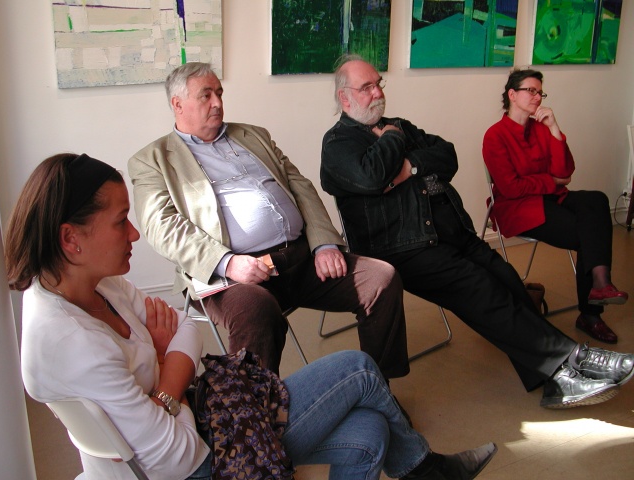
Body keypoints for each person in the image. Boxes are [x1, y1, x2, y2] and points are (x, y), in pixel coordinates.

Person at [6, 153, 498, 480]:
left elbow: (184, 329)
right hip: (203, 462)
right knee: (359, 369)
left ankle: (421, 469)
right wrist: (171, 375)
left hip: (204, 412)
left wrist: (164, 383)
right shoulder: (66, 340)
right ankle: (427, 470)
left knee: (370, 432)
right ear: (71, 239)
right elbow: (177, 457)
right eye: (120, 222)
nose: (133, 234)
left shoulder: (96, 283)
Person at [320, 55, 634, 409]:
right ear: (345, 97)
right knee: (483, 289)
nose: (378, 93)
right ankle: (573, 359)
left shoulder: (399, 124)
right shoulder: (339, 143)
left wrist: (410, 166)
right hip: (403, 247)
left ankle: (554, 380)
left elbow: (447, 155)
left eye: (379, 84)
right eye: (367, 87)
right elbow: (371, 177)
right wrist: (393, 138)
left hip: (453, 232)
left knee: (508, 281)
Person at [128, 62, 409, 379]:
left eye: (219, 93)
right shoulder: (153, 160)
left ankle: (378, 386)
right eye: (206, 95)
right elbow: (161, 226)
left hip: (300, 258)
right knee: (257, 310)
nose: (218, 102)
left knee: (381, 278)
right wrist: (228, 263)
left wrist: (324, 244)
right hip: (233, 276)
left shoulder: (253, 135)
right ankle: (258, 405)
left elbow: (300, 187)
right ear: (178, 104)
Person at [482, 68, 628, 344]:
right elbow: (512, 188)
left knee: (596, 199)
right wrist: (551, 181)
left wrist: (554, 128)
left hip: (552, 197)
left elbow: (565, 172)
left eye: (540, 92)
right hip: (519, 208)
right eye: (531, 91)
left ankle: (601, 284)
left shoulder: (541, 128)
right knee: (589, 233)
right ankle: (591, 314)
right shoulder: (495, 135)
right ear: (512, 94)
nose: (537, 97)